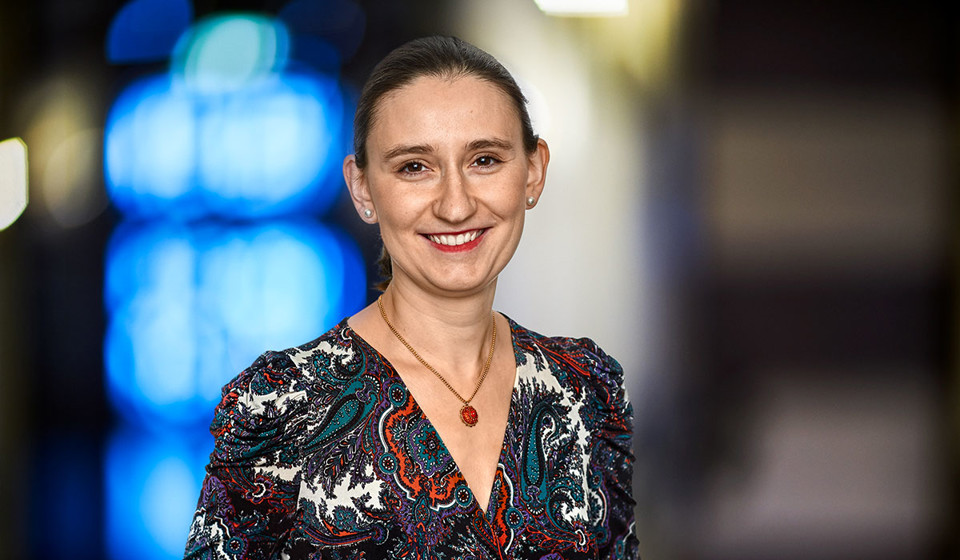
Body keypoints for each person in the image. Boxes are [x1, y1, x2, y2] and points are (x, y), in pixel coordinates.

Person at [184, 35, 638, 559]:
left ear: (533, 172)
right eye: (414, 167)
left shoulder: (589, 389)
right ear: (362, 188)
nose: (455, 204)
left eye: (485, 159)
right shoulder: (281, 405)